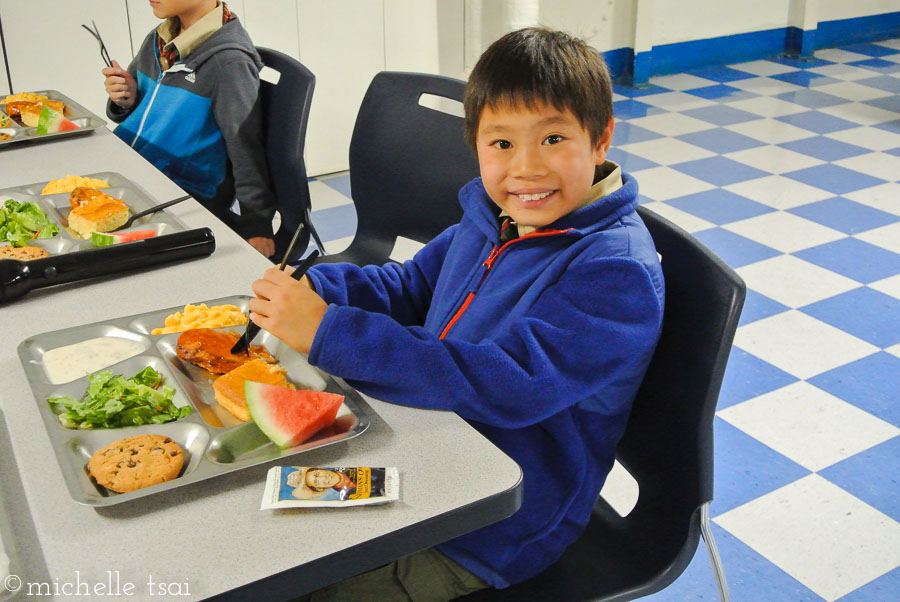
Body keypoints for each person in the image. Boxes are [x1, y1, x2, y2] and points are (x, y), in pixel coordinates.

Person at [250, 27, 665, 601]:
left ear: (600, 140)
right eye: (501, 144)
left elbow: (508, 384)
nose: (526, 169)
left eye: (552, 139)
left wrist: (330, 333)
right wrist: (318, 286)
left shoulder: (613, 272)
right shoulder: (490, 217)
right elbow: (409, 285)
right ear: (475, 144)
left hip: (492, 524)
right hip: (426, 450)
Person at [101, 0, 276, 257]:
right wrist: (124, 100)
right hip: (134, 171)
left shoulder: (229, 62)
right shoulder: (159, 39)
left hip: (178, 193)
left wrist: (257, 222)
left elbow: (245, 146)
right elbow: (142, 108)